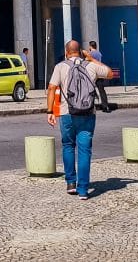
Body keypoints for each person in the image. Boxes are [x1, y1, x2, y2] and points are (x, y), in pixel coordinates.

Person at [47, 39, 106, 200]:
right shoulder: (91, 66)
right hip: (88, 113)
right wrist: (91, 58)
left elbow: (52, 88)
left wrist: (50, 111)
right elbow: (109, 73)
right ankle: (83, 190)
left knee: (67, 146)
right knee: (84, 151)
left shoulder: (60, 66)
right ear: (80, 51)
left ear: (66, 52)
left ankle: (71, 183)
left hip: (67, 113)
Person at [87, 41, 112, 113]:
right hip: (99, 73)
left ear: (90, 46)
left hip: (92, 73)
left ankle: (90, 106)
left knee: (89, 90)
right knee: (102, 90)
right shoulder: (99, 53)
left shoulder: (90, 54)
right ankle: (105, 106)